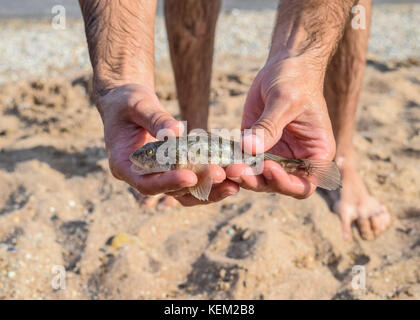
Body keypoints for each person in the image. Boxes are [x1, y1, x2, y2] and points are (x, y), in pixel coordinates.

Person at [78, 0, 391, 240]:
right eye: (147, 154)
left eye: (148, 154)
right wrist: (122, 81)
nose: (144, 156)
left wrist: (300, 62)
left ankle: (343, 158)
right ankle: (195, 123)